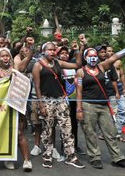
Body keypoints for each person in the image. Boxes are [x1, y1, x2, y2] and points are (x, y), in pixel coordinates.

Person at [75, 47, 125, 170]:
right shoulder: (80, 72)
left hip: (104, 105)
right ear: (85, 58)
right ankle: (95, 157)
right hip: (87, 105)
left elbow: (115, 57)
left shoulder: (101, 67)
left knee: (110, 132)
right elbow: (79, 92)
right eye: (90, 56)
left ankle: (118, 158)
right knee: (90, 133)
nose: (93, 58)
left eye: (95, 55)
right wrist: (79, 110)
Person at [32, 41, 85, 169]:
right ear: (44, 51)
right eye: (49, 50)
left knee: (67, 128)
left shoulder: (58, 63)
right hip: (46, 100)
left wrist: (77, 50)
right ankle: (48, 156)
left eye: (53, 50)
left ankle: (70, 156)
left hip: (61, 100)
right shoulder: (38, 65)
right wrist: (41, 105)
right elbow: (37, 87)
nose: (52, 52)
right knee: (48, 130)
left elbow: (78, 65)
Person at [0, 46, 33, 172]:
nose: (5, 58)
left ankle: (27, 160)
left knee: (20, 133)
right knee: (6, 134)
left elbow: (28, 58)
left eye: (7, 55)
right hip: (4, 108)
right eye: (2, 56)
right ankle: (8, 158)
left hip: (17, 106)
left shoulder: (16, 69)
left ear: (10, 57)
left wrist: (30, 46)